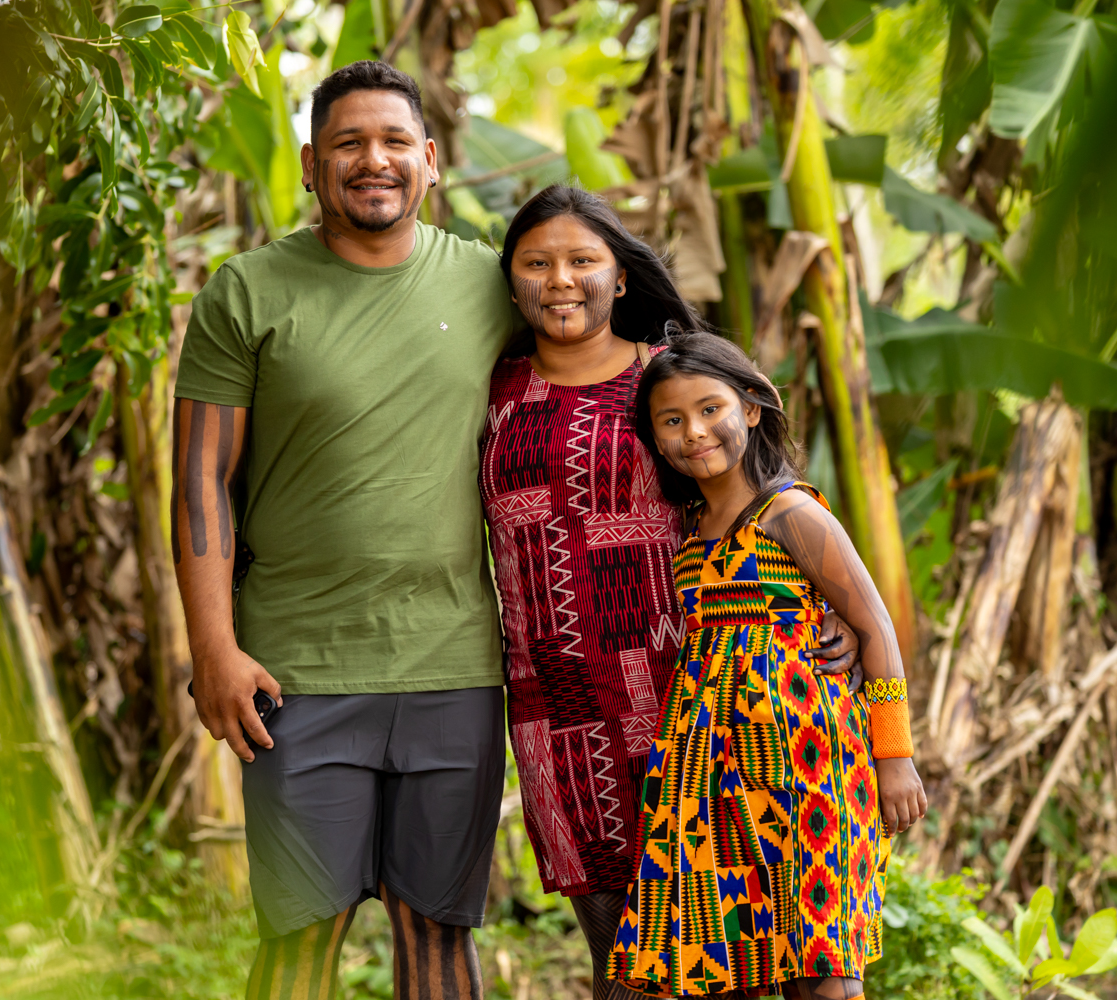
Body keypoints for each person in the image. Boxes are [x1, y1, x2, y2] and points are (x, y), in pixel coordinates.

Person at [172, 61, 516, 1000]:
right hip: (297, 669)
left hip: (455, 664)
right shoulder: (245, 292)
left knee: (438, 933)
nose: (375, 161)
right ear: (310, 164)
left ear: (432, 161)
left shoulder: (493, 285)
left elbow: (624, 382)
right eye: (349, 144)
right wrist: (213, 648)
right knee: (300, 937)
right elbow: (202, 481)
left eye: (396, 141)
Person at [480, 186, 863, 1000]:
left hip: (691, 700)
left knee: (728, 948)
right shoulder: (491, 389)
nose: (562, 280)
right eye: (537, 263)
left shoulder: (671, 380)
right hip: (554, 712)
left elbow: (765, 492)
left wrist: (835, 611)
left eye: (584, 260)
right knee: (619, 955)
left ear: (622, 277)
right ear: (509, 280)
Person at [603, 331, 927, 1000]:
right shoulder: (689, 532)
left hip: (808, 767)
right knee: (734, 959)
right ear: (656, 438)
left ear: (751, 409)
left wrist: (894, 754)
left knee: (821, 964)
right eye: (672, 420)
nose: (695, 431)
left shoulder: (792, 513)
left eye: (710, 408)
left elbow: (875, 626)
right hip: (714, 776)